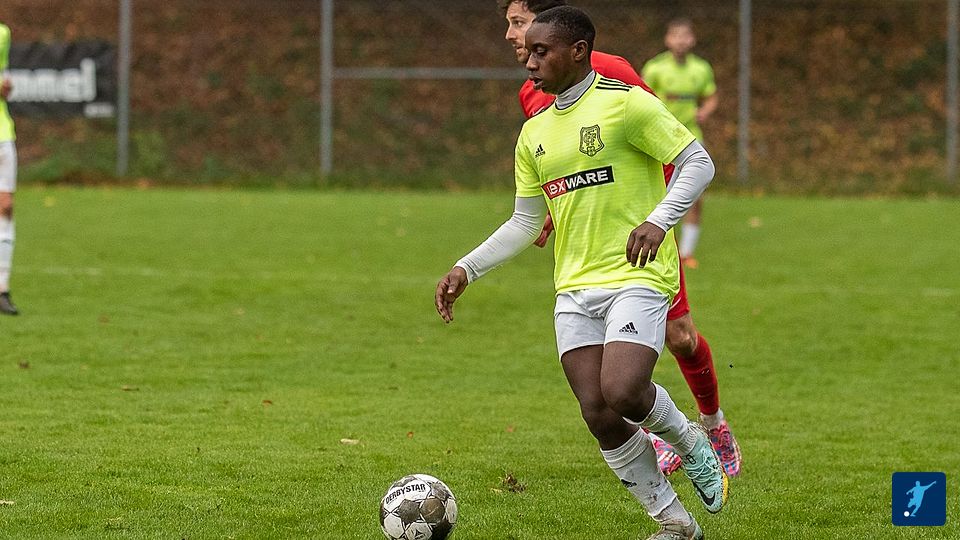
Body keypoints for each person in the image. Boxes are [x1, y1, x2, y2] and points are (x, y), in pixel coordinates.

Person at [436, 7, 727, 538]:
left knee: (623, 389)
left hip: (637, 274)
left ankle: (691, 443)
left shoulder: (627, 104)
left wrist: (659, 220)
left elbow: (698, 162)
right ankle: (675, 524)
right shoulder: (534, 133)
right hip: (574, 286)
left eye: (541, 51)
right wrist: (466, 268)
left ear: (578, 51)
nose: (529, 61)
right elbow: (526, 221)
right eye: (529, 51)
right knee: (597, 411)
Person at [499, 0, 741, 478]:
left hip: (642, 229)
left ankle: (713, 425)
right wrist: (553, 207)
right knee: (612, 376)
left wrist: (658, 214)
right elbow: (564, 164)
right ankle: (658, 438)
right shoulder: (533, 92)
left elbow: (657, 138)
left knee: (680, 336)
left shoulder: (610, 71)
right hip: (592, 251)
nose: (510, 35)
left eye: (517, 22)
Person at [642, 18, 717, 269]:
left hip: (691, 137)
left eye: (685, 36)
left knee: (695, 193)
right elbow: (641, 98)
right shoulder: (655, 68)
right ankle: (657, 245)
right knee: (657, 193)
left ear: (692, 40)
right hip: (660, 139)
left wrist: (705, 111)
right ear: (667, 40)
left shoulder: (701, 68)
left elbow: (711, 97)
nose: (681, 41)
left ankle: (686, 253)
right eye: (676, 36)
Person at [0, 22, 18, 315]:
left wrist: (5, 87)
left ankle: (1, 289)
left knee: (5, 207)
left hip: (2, 135)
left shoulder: (2, 34)